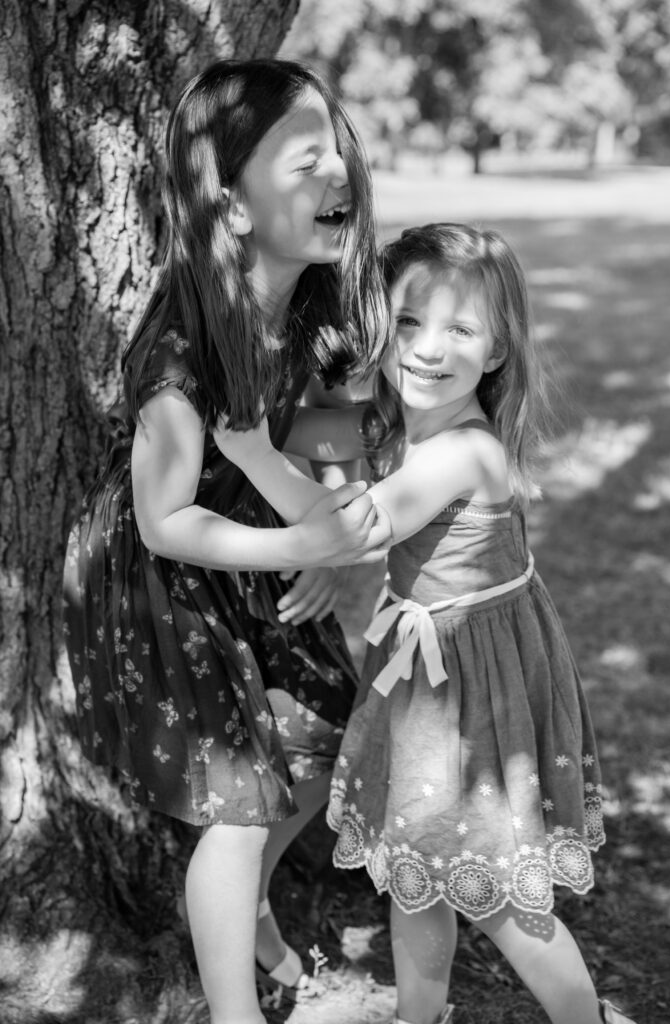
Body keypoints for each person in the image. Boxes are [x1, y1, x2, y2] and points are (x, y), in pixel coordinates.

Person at [213, 223, 639, 1024]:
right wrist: (309, 407)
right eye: (408, 322)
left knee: (498, 895)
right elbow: (338, 454)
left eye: (460, 330)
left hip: (472, 685)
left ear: (498, 350)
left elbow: (357, 527)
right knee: (416, 863)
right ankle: (420, 1014)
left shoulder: (461, 451)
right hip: (430, 668)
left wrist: (249, 455)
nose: (427, 349)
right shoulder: (405, 420)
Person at [62, 58, 393, 1024]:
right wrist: (309, 549)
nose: (338, 173)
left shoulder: (323, 315)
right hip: (174, 584)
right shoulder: (182, 346)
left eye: (339, 149)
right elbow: (165, 520)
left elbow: (332, 446)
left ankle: (244, 912)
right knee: (239, 805)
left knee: (325, 745)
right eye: (305, 160)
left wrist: (331, 535)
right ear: (232, 205)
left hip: (267, 558)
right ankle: (233, 1008)